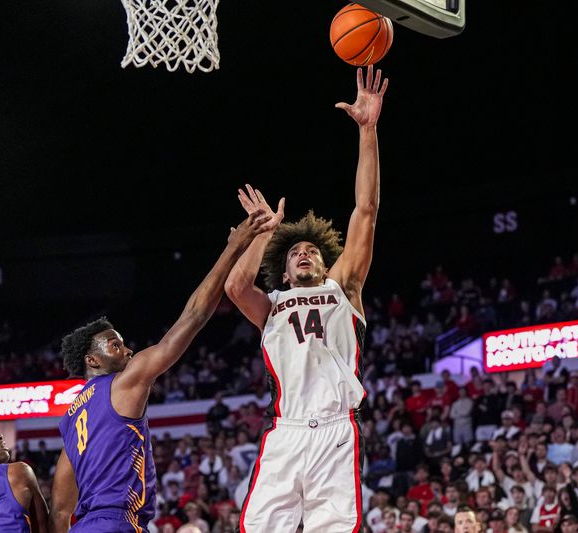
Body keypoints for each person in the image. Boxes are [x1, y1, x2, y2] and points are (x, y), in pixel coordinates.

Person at [224, 64, 388, 532]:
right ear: (284, 267)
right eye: (295, 251)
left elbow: (366, 209)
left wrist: (368, 132)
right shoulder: (272, 303)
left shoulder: (344, 287)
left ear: (324, 262)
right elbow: (236, 288)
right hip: (286, 429)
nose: (303, 255)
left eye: (311, 250)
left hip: (337, 428)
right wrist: (261, 233)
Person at [47, 210, 271, 533]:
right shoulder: (123, 383)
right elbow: (193, 316)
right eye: (115, 346)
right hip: (118, 523)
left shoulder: (70, 421)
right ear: (91, 361)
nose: (127, 351)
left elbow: (59, 509)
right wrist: (234, 247)